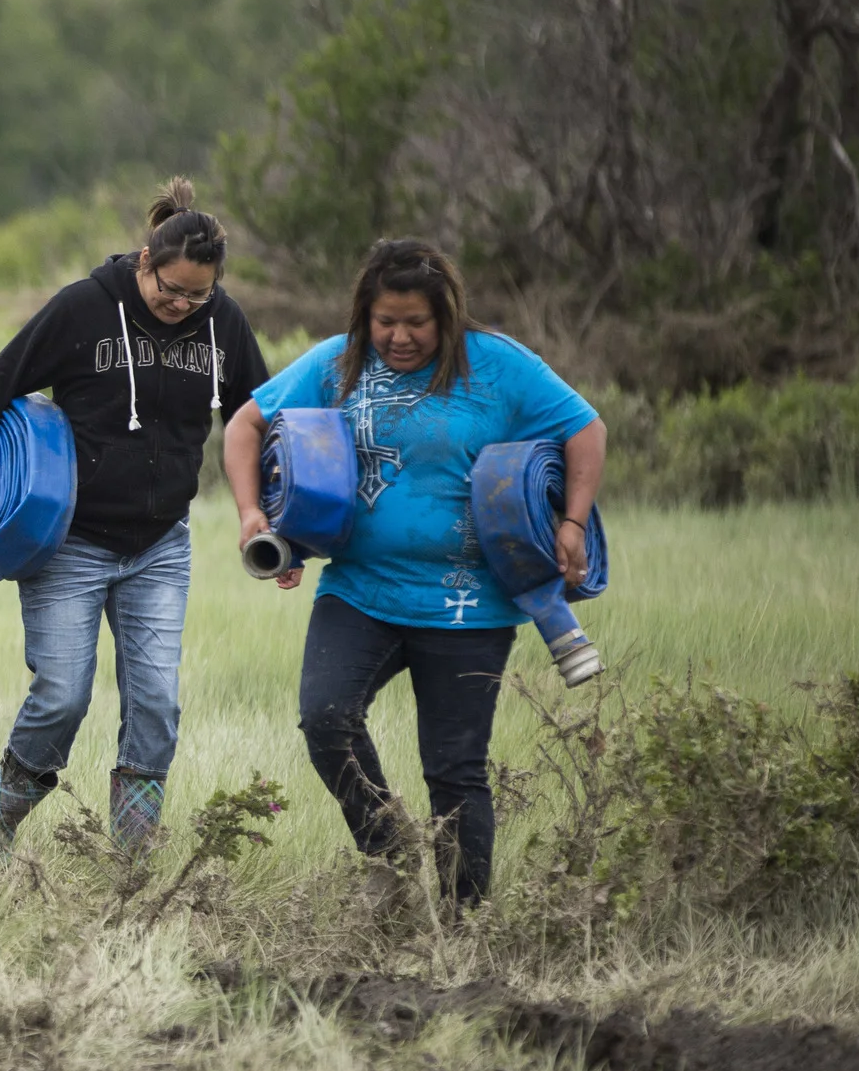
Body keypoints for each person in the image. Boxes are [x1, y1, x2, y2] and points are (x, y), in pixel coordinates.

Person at [224, 238, 606, 908]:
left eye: (416, 323)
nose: (398, 337)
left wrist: (571, 523)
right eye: (385, 321)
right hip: (360, 591)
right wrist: (254, 513)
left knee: (455, 772)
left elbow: (585, 427)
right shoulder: (339, 363)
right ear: (365, 316)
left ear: (447, 317)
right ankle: (393, 857)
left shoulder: (498, 367)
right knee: (325, 718)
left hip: (470, 607)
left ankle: (462, 925)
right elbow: (246, 425)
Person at [0, 178, 268, 863]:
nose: (181, 306)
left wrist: (274, 514)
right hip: (71, 542)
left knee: (155, 702)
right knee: (62, 694)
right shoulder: (85, 307)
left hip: (161, 543)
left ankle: (131, 864)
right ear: (145, 261)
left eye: (196, 296)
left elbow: (253, 419)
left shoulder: (224, 323)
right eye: (169, 290)